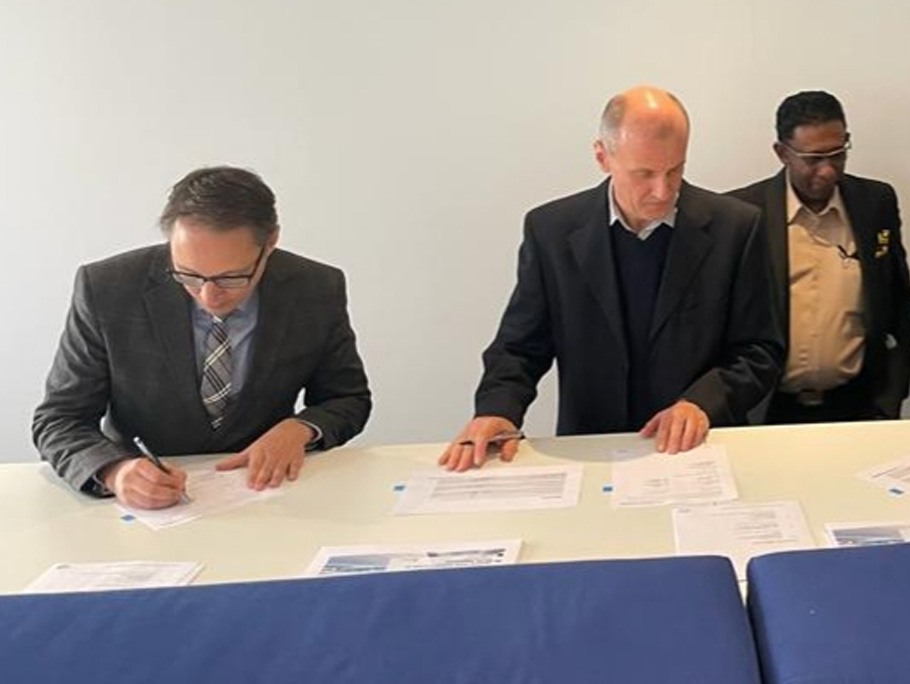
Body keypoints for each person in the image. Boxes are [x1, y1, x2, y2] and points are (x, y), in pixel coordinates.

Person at [440, 86, 784, 471]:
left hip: (697, 450)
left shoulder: (736, 227)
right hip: (591, 448)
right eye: (644, 174)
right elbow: (520, 346)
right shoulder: (552, 231)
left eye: (675, 170)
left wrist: (702, 403)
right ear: (603, 156)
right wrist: (497, 409)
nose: (663, 191)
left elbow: (760, 350)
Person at [33, 166, 372, 508]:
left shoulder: (315, 289)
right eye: (188, 275)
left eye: (232, 277)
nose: (209, 296)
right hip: (141, 504)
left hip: (266, 496)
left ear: (270, 243)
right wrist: (114, 472)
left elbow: (347, 398)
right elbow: (60, 419)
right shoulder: (107, 289)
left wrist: (300, 429)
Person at [729, 91, 910, 423]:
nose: (828, 170)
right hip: (767, 411)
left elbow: (899, 304)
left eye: (838, 154)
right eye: (813, 158)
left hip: (858, 407)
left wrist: (890, 397)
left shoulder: (875, 203)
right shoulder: (742, 215)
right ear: (782, 153)